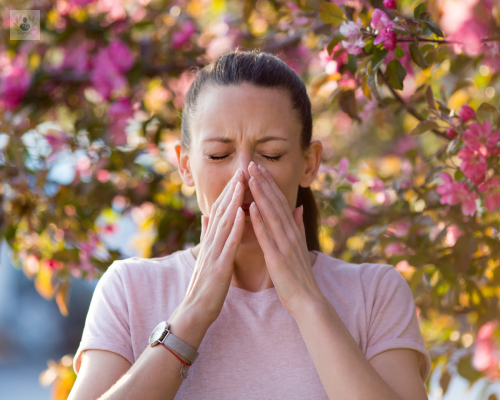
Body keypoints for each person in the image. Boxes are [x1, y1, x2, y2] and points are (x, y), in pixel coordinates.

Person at [68, 50, 431, 400]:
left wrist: (307, 301)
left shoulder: (375, 293)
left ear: (309, 163)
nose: (243, 174)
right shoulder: (129, 290)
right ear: (185, 166)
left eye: (270, 154)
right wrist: (192, 315)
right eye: (218, 155)